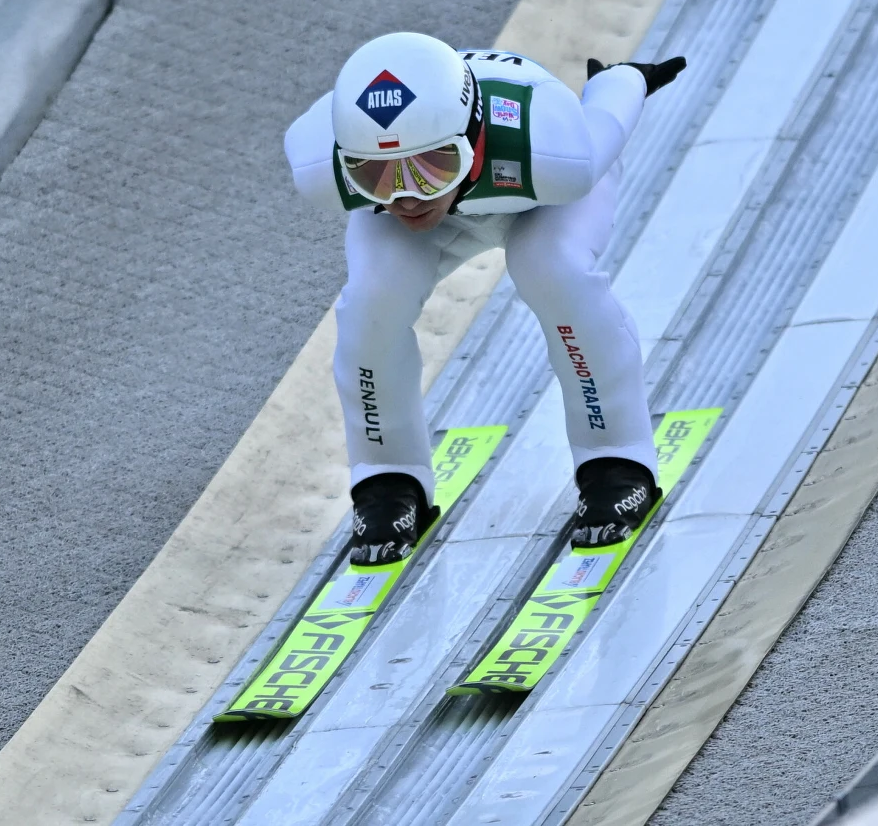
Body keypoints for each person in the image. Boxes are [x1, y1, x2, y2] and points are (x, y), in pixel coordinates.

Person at [284, 32, 686, 565]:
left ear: (475, 138)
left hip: (538, 195)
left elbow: (604, 123)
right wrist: (417, 180)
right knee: (370, 303)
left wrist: (620, 80)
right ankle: (386, 479)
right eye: (377, 175)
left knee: (552, 268)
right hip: (477, 193)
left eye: (432, 166)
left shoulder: (556, 150)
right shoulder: (320, 164)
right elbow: (397, 184)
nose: (406, 197)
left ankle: (617, 460)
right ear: (348, 161)